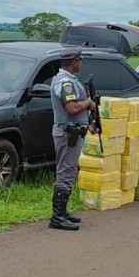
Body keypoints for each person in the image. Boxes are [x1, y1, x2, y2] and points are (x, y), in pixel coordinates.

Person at [49, 46, 97, 230]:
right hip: (67, 133)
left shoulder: (69, 80)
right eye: (80, 60)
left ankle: (62, 212)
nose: (81, 63)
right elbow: (72, 108)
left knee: (68, 172)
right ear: (74, 61)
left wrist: (89, 124)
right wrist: (89, 103)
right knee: (65, 173)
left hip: (73, 132)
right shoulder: (65, 82)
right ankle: (58, 217)